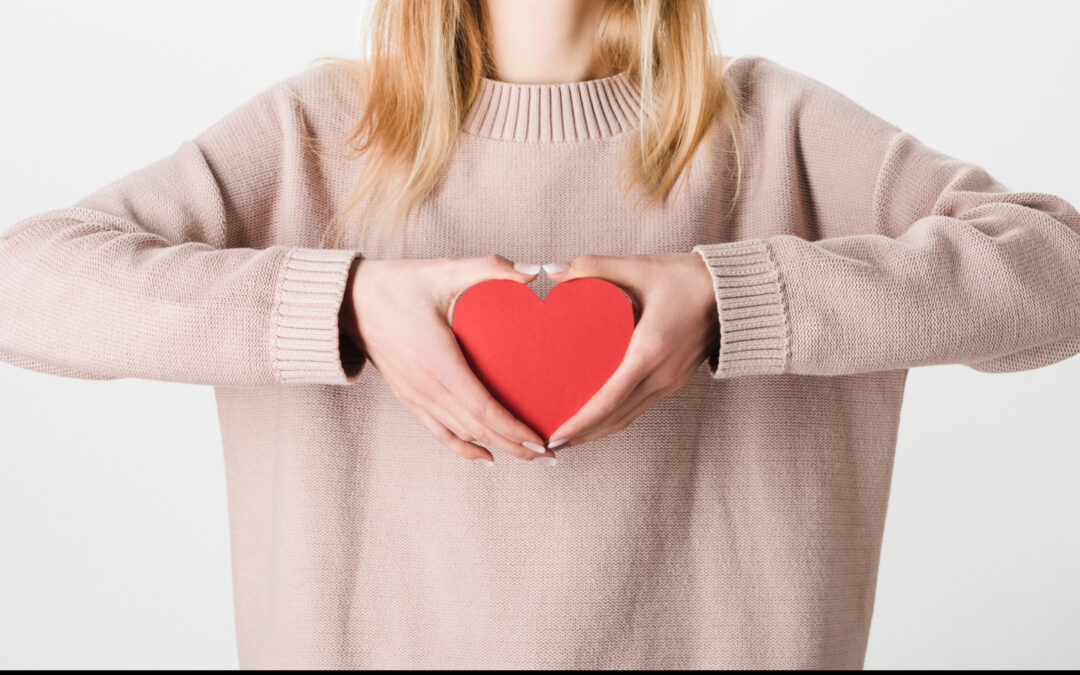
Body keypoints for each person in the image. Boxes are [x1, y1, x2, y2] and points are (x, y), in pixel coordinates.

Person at [2, 0, 1078, 669]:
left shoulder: (772, 127)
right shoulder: (318, 130)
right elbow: (24, 286)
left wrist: (732, 298)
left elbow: (1059, 274)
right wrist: (344, 304)